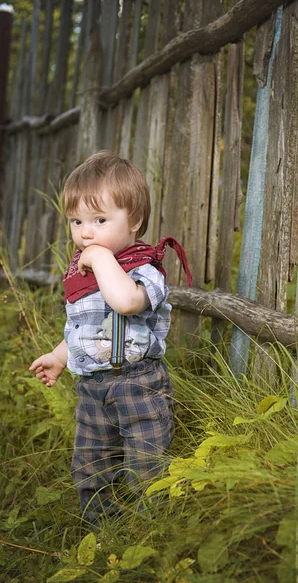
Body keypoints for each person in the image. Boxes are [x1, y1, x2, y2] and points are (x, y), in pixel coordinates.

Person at [29, 150, 191, 525]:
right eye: (76, 221)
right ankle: (102, 529)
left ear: (133, 220)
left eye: (99, 220)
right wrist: (59, 355)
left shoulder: (144, 270)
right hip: (92, 390)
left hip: (138, 383)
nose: (85, 232)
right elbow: (83, 331)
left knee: (146, 459)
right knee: (90, 460)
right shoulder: (84, 279)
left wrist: (101, 259)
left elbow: (126, 303)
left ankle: (152, 526)